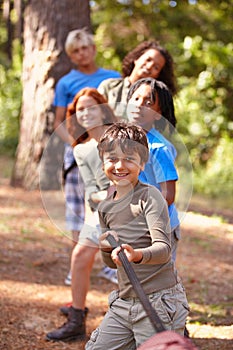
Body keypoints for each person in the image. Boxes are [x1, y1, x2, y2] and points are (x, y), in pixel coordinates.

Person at [85, 122, 189, 350]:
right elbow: (110, 263)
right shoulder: (104, 207)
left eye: (129, 159)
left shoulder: (150, 197)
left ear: (142, 163)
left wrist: (137, 254)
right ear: (102, 162)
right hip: (125, 300)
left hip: (158, 301)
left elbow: (164, 250)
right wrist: (104, 246)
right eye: (112, 158)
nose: (120, 165)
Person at [46, 88, 118, 342]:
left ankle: (149, 318)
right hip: (100, 211)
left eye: (90, 107)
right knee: (79, 256)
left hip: (127, 210)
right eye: (79, 110)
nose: (85, 113)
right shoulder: (81, 149)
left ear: (102, 109)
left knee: (126, 264)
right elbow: (92, 190)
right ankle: (77, 319)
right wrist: (93, 223)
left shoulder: (118, 139)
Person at [53, 27, 120, 285]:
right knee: (79, 209)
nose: (82, 54)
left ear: (93, 49)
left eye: (85, 48)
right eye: (75, 51)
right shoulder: (66, 83)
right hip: (78, 154)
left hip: (110, 150)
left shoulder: (112, 78)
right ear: (71, 55)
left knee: (112, 203)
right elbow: (60, 121)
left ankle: (110, 263)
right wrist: (79, 145)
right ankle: (79, 261)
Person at [126, 77, 180, 262]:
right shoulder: (124, 141)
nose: (140, 105)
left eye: (148, 103)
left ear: (158, 114)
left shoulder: (158, 148)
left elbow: (169, 194)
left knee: (159, 282)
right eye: (135, 99)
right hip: (134, 225)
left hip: (159, 228)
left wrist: (144, 216)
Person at [98, 40, 177, 118]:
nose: (149, 67)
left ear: (158, 75)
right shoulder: (110, 87)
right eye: (148, 60)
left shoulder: (156, 100)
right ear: (136, 58)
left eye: (156, 67)